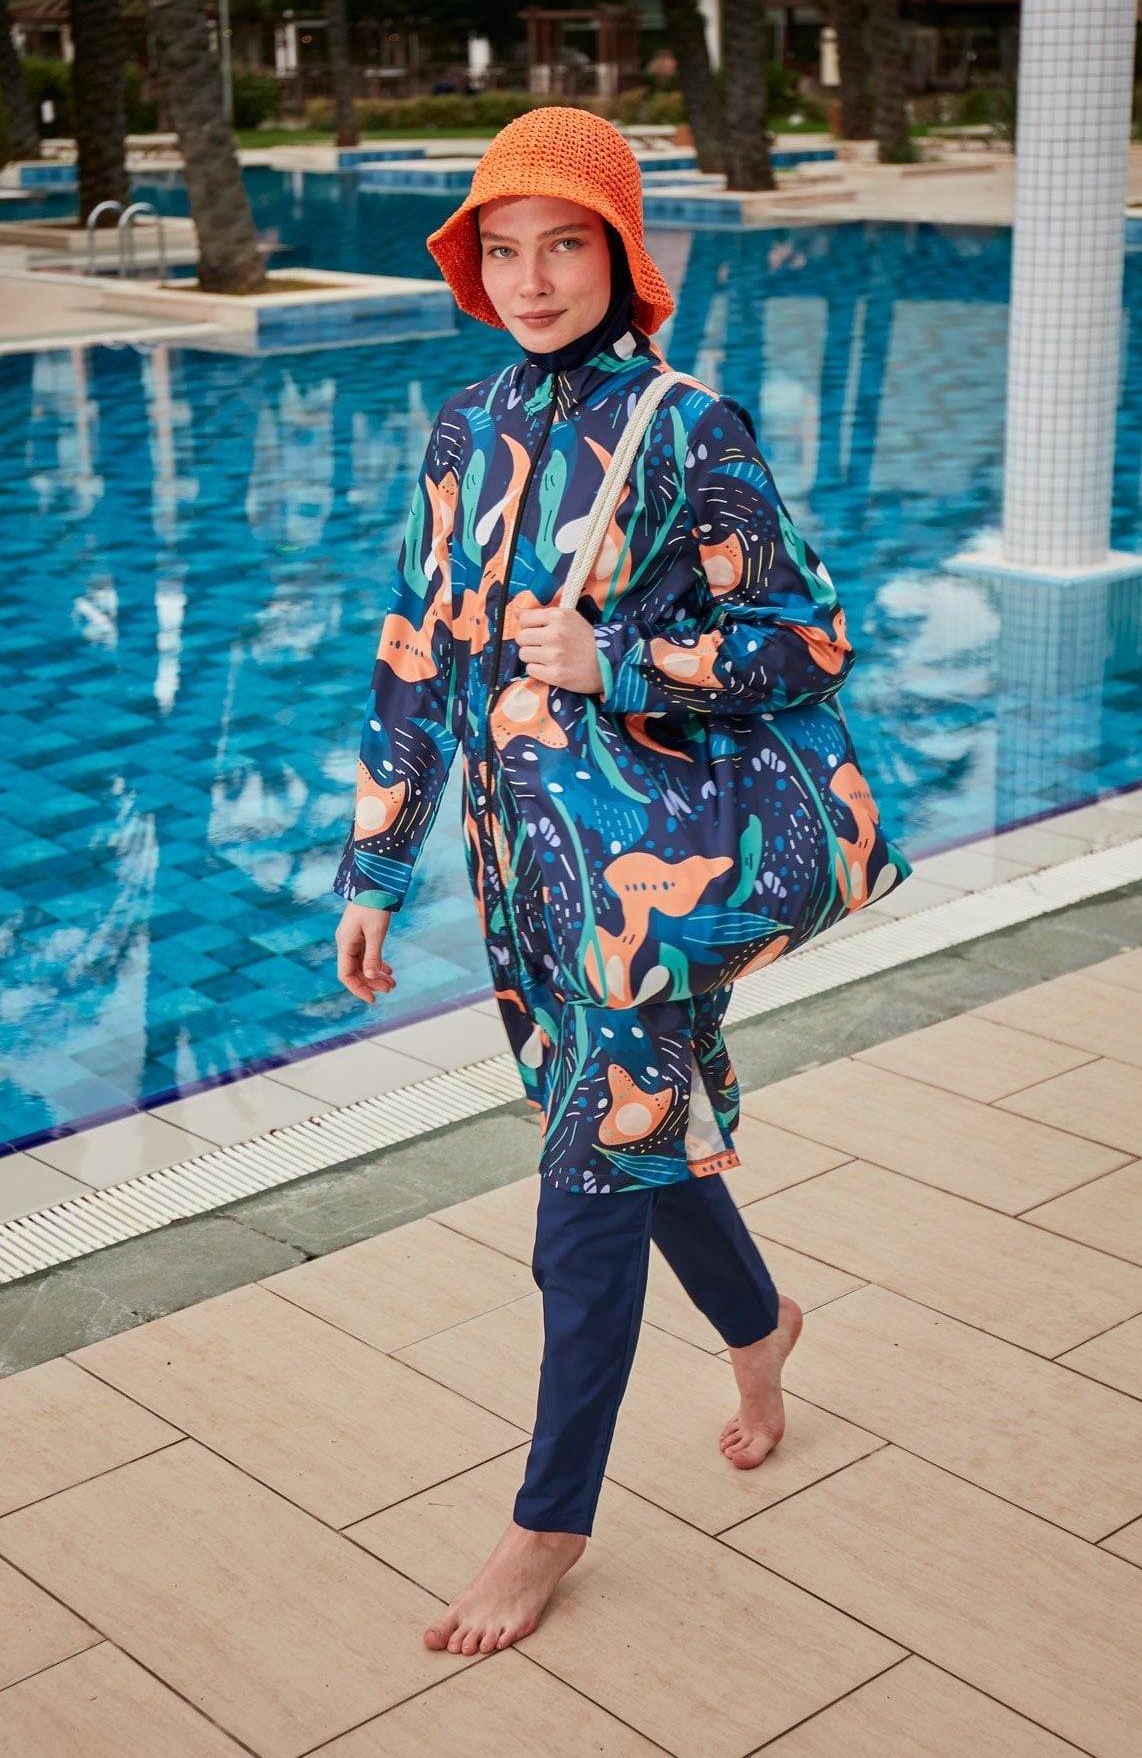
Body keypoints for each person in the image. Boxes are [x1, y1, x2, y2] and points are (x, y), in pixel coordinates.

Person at [333, 106, 855, 1656]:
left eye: (565, 244)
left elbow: (809, 639)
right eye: (503, 249)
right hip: (522, 883)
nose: (533, 278)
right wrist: (376, 866)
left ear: (620, 255)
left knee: (586, 1186)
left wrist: (616, 657)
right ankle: (763, 1328)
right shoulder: (462, 430)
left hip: (650, 878)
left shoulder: (691, 427)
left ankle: (547, 1522)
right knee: (639, 1136)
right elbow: (418, 653)